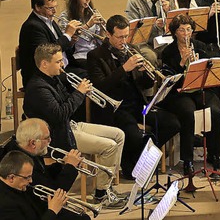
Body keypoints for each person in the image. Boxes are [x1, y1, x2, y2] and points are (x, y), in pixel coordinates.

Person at [23, 43, 125, 206]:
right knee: (110, 146)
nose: (62, 64)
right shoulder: (38, 88)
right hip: (57, 135)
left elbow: (66, 105)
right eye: (58, 62)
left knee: (119, 134)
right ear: (44, 64)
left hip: (69, 126)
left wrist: (80, 91)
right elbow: (60, 114)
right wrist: (79, 93)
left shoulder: (53, 79)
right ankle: (101, 194)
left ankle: (107, 186)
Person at [86, 15, 180, 178]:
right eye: (119, 37)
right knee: (134, 135)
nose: (124, 41)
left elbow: (145, 85)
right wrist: (124, 68)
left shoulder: (131, 50)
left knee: (172, 123)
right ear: (108, 35)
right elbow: (100, 87)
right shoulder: (95, 56)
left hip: (137, 105)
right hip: (113, 109)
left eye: (126, 36)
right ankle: (131, 166)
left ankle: (143, 159)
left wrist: (146, 75)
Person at [159, 14, 220, 176]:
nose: (186, 33)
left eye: (188, 29)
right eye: (181, 30)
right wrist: (182, 63)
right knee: (188, 113)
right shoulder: (168, 52)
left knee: (216, 112)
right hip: (180, 92)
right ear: (175, 33)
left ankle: (214, 153)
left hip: (201, 89)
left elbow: (210, 70)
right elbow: (168, 78)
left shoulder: (200, 46)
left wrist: (198, 64)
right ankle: (187, 159)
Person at [0, 119, 97, 219]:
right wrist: (70, 168)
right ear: (33, 143)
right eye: (46, 138)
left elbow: (44, 175)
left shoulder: (26, 150)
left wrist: (62, 165)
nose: (50, 140)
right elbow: (53, 192)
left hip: (39, 207)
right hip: (39, 210)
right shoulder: (19, 164)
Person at [18, 0, 82, 87]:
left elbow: (60, 46)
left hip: (61, 67)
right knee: (88, 79)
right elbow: (47, 54)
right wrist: (67, 35)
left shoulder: (49, 20)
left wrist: (71, 41)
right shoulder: (32, 27)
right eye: (50, 8)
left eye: (55, 7)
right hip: (44, 75)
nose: (54, 11)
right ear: (38, 7)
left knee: (93, 70)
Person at [124, 0, 178, 66]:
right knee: (151, 57)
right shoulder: (134, 2)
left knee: (176, 51)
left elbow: (178, 24)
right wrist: (154, 26)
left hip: (163, 39)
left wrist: (169, 11)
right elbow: (133, 32)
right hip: (143, 43)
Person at [0, 150, 71, 220]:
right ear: (11, 178)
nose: (31, 181)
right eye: (27, 177)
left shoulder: (17, 187)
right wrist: (53, 211)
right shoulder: (5, 205)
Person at [58, 0, 105, 69]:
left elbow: (100, 39)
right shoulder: (65, 16)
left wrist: (102, 28)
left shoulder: (92, 13)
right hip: (80, 55)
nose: (88, 0)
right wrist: (88, 25)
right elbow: (67, 40)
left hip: (95, 52)